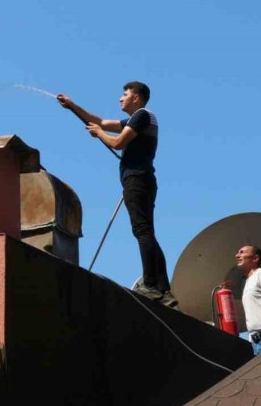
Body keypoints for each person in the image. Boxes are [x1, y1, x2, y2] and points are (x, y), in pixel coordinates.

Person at [57, 82, 176, 307]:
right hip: (143, 179)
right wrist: (72, 106)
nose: (120, 99)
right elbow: (100, 121)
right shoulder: (137, 119)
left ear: (136, 98)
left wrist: (100, 134)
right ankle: (163, 289)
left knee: (142, 230)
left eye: (125, 95)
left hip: (137, 179)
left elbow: (117, 142)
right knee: (146, 231)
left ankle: (151, 285)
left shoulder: (142, 115)